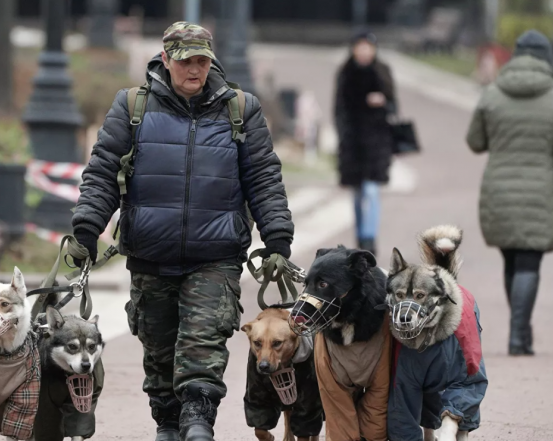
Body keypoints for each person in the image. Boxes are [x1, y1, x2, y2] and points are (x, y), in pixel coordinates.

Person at [70, 22, 294, 441]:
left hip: (217, 254)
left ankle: (198, 424)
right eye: (186, 60)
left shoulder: (240, 110)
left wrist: (277, 236)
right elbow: (101, 173)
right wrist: (86, 230)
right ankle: (169, 425)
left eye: (203, 61)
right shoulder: (132, 106)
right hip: (149, 254)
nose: (195, 69)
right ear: (166, 59)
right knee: (159, 353)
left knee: (204, 345)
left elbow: (264, 177)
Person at [466, 30, 553, 356]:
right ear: (545, 57)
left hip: (499, 189)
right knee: (529, 264)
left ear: (516, 55)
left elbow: (475, 141)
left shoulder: (492, 94)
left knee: (511, 259)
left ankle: (520, 331)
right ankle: (520, 335)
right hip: (542, 189)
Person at [334, 30, 397, 256]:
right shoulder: (345, 72)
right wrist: (342, 136)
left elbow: (394, 105)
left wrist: (382, 101)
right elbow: (339, 109)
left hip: (376, 141)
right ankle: (361, 236)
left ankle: (370, 239)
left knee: (371, 191)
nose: (363, 51)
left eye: (367, 46)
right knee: (357, 194)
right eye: (359, 46)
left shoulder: (382, 71)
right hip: (352, 143)